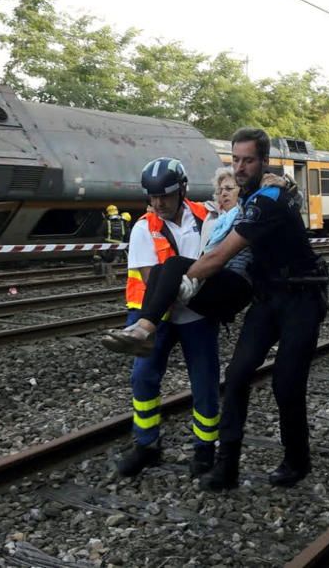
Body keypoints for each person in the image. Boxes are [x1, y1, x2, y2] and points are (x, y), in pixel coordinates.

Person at [188, 127, 329, 491]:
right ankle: (226, 467)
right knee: (236, 376)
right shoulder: (253, 191)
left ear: (263, 160)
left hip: (301, 297)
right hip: (268, 298)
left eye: (248, 160)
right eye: (235, 159)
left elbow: (221, 255)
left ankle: (297, 459)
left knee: (286, 383)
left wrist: (180, 282)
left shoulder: (269, 198)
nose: (240, 167)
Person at [109, 157, 221, 478]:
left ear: (182, 191)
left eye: (165, 196)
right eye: (152, 197)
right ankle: (146, 445)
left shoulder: (208, 218)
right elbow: (150, 280)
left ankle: (204, 448)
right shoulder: (144, 228)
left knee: (205, 381)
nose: (158, 203)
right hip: (156, 314)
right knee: (143, 377)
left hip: (196, 314)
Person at [102, 166, 255, 357]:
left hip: (235, 285)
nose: (224, 193)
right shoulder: (218, 217)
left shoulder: (250, 212)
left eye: (230, 189)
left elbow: (277, 199)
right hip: (213, 281)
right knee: (159, 270)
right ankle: (145, 332)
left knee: (174, 263)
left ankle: (145, 327)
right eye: (221, 189)